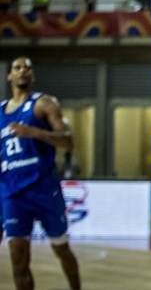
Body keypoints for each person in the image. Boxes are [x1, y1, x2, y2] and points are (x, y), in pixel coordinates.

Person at [1, 56, 81, 290]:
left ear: (32, 75)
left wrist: (33, 132)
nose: (23, 70)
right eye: (17, 67)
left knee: (61, 248)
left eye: (27, 67)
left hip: (44, 189)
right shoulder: (0, 112)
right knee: (18, 257)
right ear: (10, 75)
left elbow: (67, 140)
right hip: (13, 194)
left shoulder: (44, 104)